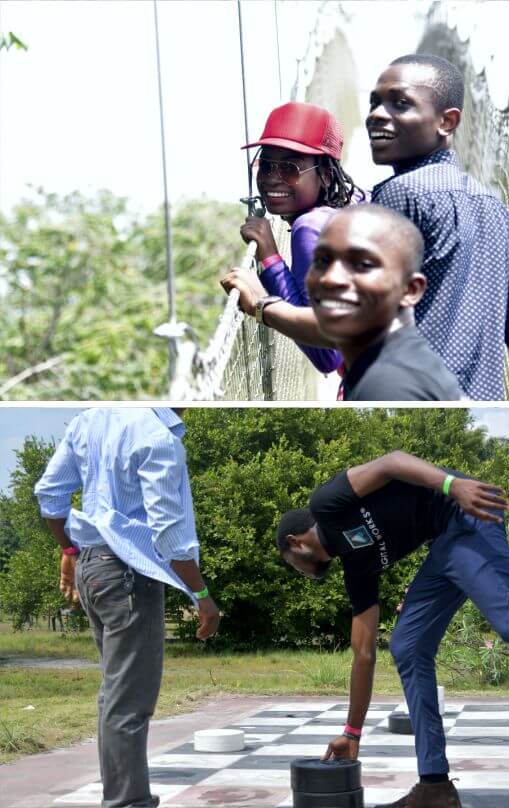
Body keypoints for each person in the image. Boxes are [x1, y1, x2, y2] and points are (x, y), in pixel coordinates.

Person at [275, 450, 509, 808]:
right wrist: (352, 733)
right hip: (444, 545)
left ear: (294, 542)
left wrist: (451, 484)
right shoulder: (356, 568)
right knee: (407, 646)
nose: (299, 571)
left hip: (467, 515)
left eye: (291, 565)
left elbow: (390, 463)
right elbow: (363, 654)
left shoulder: (325, 505)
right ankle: (435, 787)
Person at [33, 408, 220, 808]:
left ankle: (120, 797)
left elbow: (51, 494)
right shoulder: (158, 438)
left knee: (114, 696)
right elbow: (170, 535)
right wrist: (202, 597)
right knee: (128, 704)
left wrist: (69, 550)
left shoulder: (90, 418)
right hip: (130, 574)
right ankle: (126, 803)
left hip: (93, 565)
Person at [367, 53, 509, 400]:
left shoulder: (397, 195)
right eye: (375, 102)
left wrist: (267, 306)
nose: (376, 114)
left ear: (447, 122)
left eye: (400, 104)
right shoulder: (495, 212)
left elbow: (359, 318)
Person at [219, 102, 364, 374]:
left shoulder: (309, 227)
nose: (272, 179)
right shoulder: (356, 201)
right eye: (266, 165)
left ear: (326, 175)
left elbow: (328, 355)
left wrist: (270, 259)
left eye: (290, 168)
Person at [304, 204, 464, 401]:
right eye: (322, 260)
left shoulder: (385, 386)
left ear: (411, 290)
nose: (330, 278)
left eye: (363, 265)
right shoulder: (403, 358)